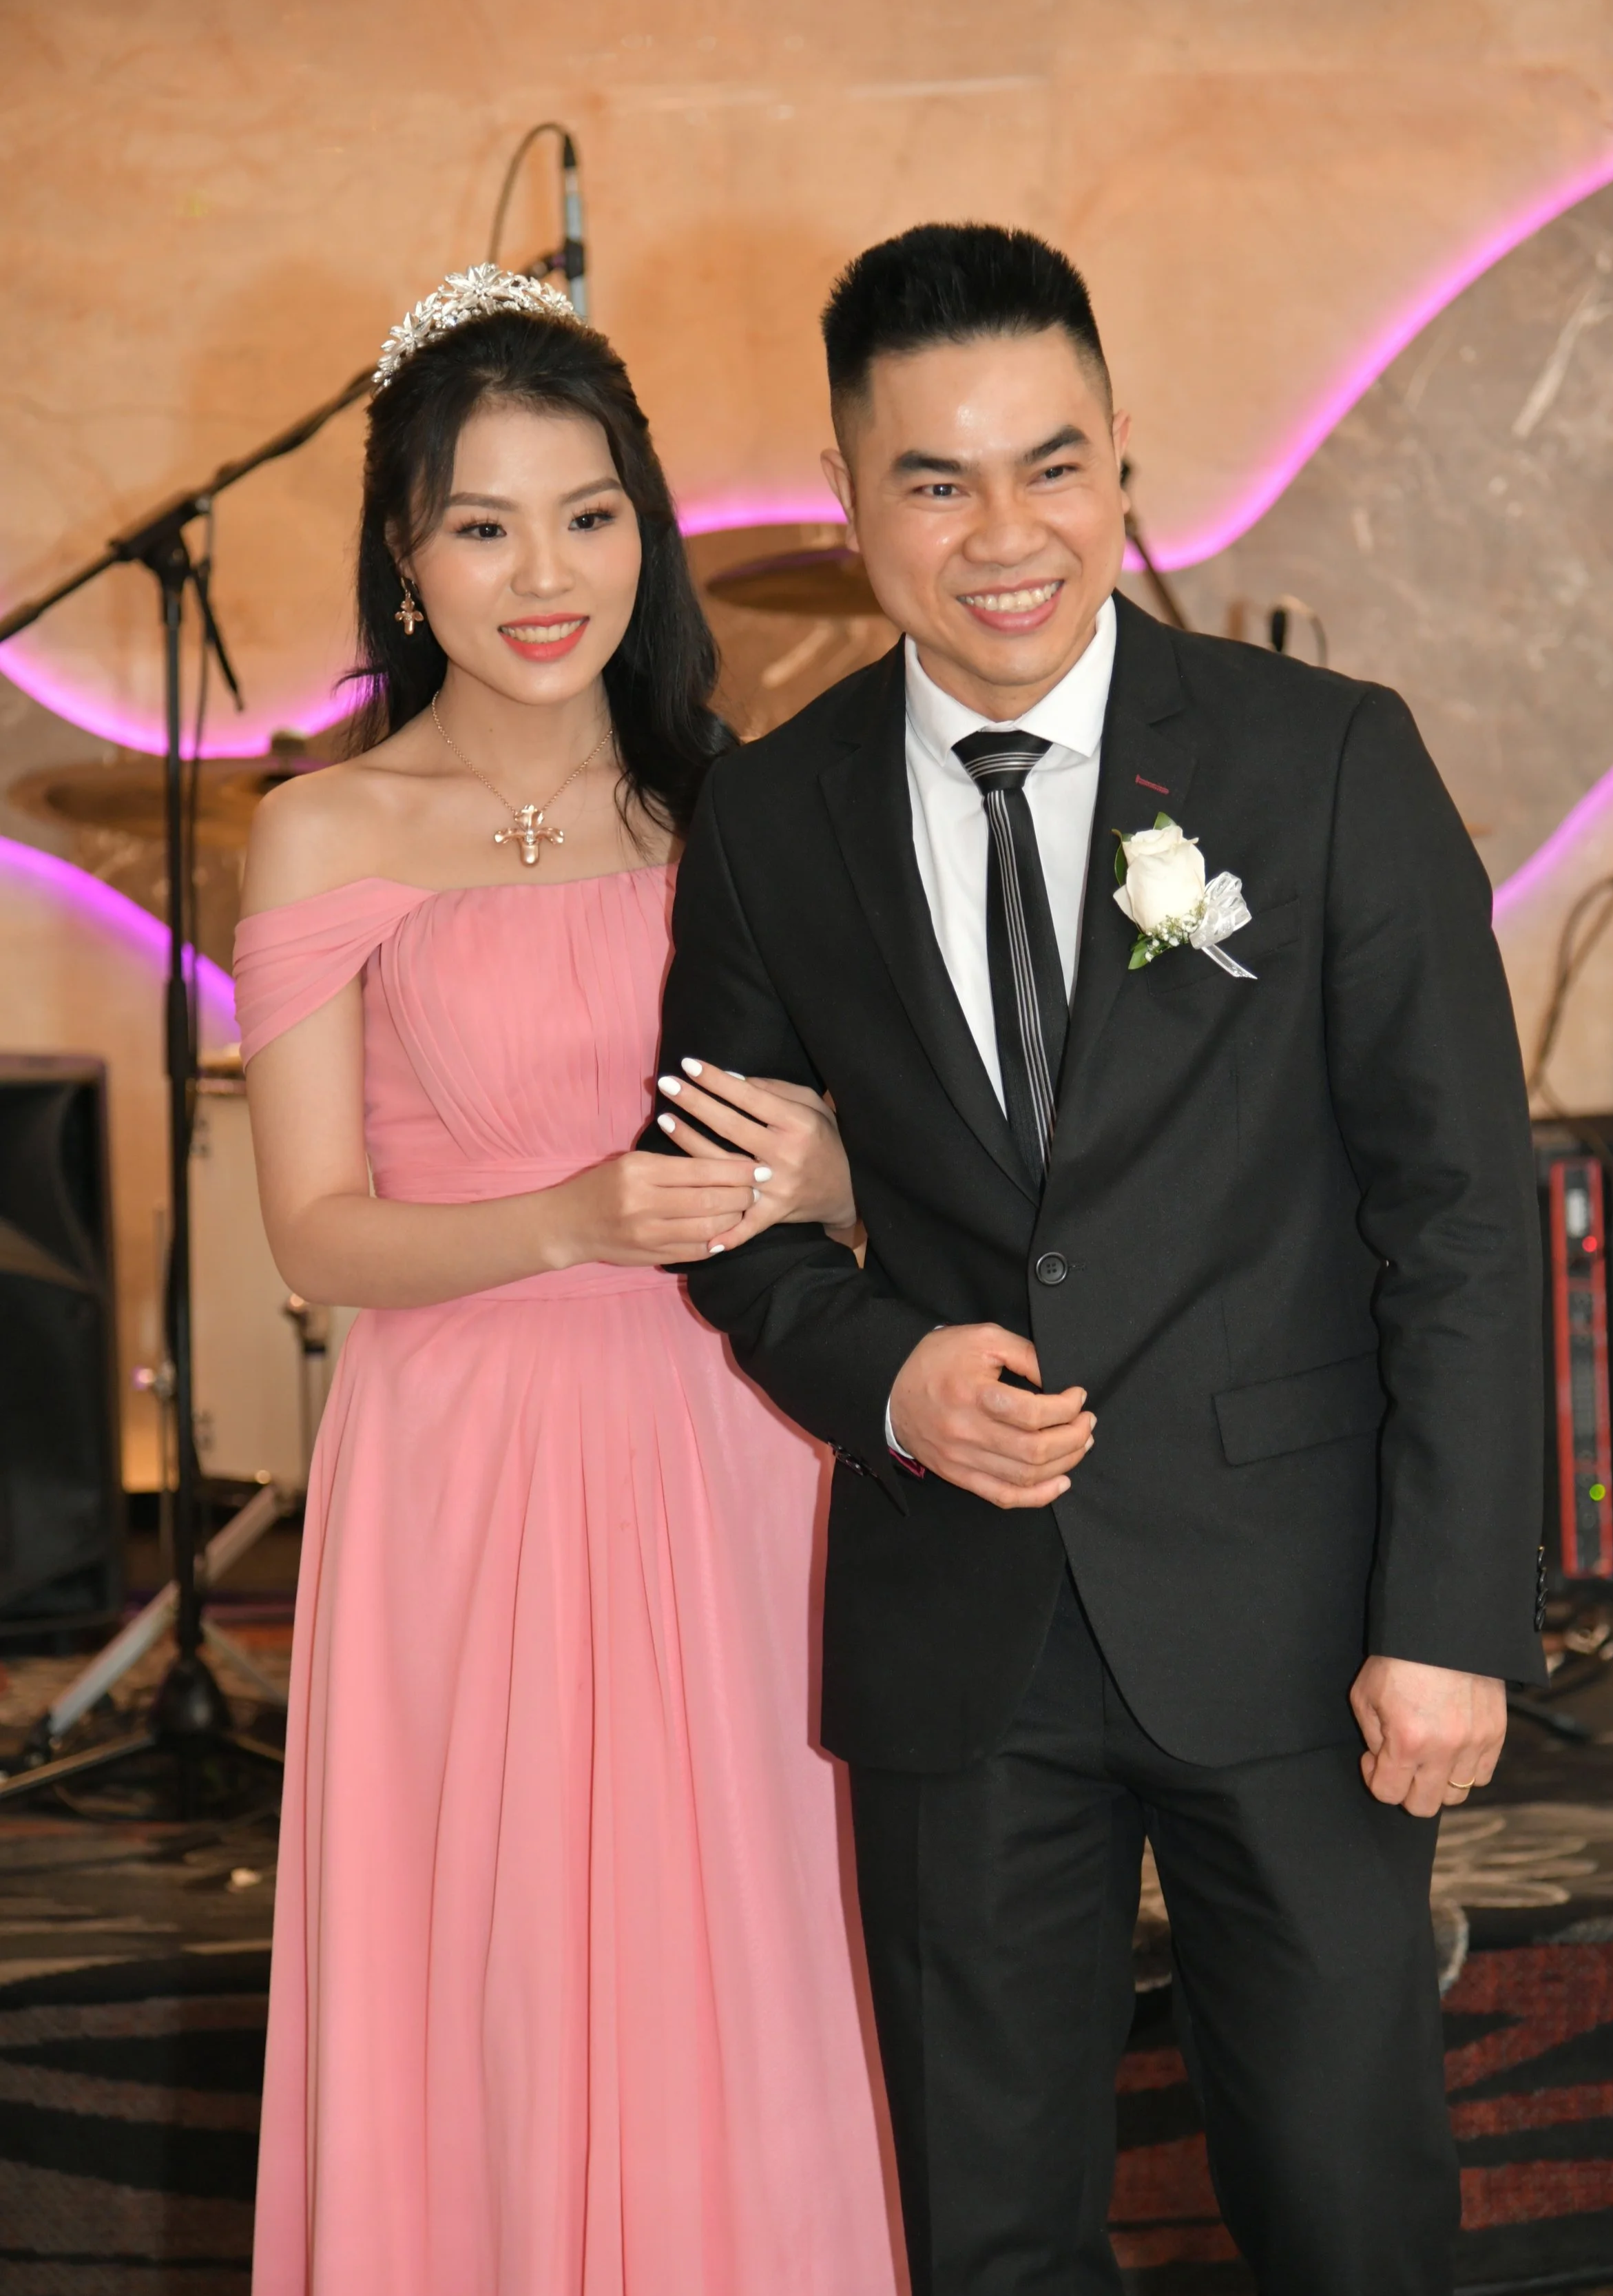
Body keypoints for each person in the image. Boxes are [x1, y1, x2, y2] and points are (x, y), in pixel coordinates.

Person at [649, 224, 1546, 2296]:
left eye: (1050, 465)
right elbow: (722, 1210)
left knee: (1347, 2217)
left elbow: (1458, 1213)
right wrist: (884, 1370)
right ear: (847, 490)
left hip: (1303, 1622)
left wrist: (1450, 1618)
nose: (1001, 538)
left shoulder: (1322, 759)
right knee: (994, 2240)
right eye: (934, 481)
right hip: (961, 1638)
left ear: (1124, 453)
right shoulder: (769, 823)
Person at [238, 267, 898, 2296]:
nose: (548, 573)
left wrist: (834, 1165)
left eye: (589, 512)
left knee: (745, 1936)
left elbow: (900, 1139)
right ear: (403, 555)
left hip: (732, 1440)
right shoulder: (321, 829)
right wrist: (571, 1224)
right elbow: (310, 1228)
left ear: (647, 529)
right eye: (483, 521)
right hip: (463, 1458)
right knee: (498, 1963)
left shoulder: (750, 802)